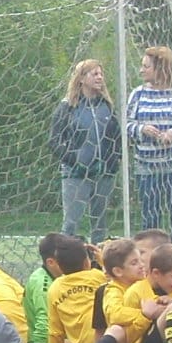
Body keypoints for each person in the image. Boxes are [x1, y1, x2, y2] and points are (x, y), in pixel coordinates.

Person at [125, 46, 172, 234]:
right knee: (150, 216)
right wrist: (142, 129)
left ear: (161, 68)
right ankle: (151, 250)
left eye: (146, 66)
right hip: (146, 166)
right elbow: (126, 123)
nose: (141, 70)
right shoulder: (138, 94)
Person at [51, 59, 121, 243]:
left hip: (103, 173)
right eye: (94, 74)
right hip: (76, 174)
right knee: (71, 223)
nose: (99, 77)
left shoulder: (106, 105)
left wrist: (113, 162)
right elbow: (54, 141)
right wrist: (75, 160)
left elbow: (116, 137)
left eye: (101, 74)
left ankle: (98, 257)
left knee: (100, 223)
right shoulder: (67, 107)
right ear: (81, 78)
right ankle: (64, 256)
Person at [40, 235, 107, 343]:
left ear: (59, 265)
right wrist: (103, 261)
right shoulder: (97, 276)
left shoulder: (55, 288)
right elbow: (117, 279)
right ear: (86, 262)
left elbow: (55, 330)